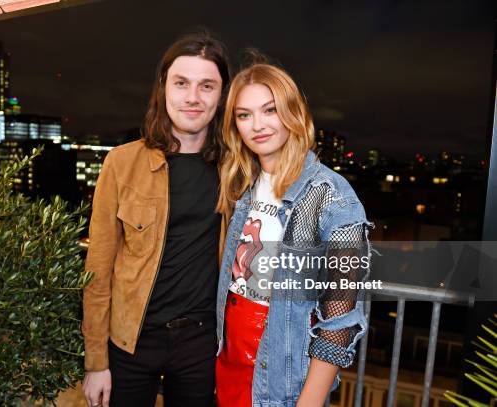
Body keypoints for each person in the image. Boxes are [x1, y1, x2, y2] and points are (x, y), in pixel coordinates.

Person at [82, 31, 230, 407]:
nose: (193, 97)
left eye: (207, 86)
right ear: (164, 88)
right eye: (182, 83)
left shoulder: (237, 170)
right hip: (131, 340)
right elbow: (97, 271)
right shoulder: (121, 163)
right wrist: (96, 361)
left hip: (201, 343)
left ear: (222, 95)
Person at [215, 62, 371, 406]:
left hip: (282, 375)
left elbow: (340, 321)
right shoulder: (243, 188)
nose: (257, 125)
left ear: (293, 113)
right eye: (244, 115)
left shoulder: (332, 195)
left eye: (269, 110)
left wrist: (310, 401)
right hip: (229, 366)